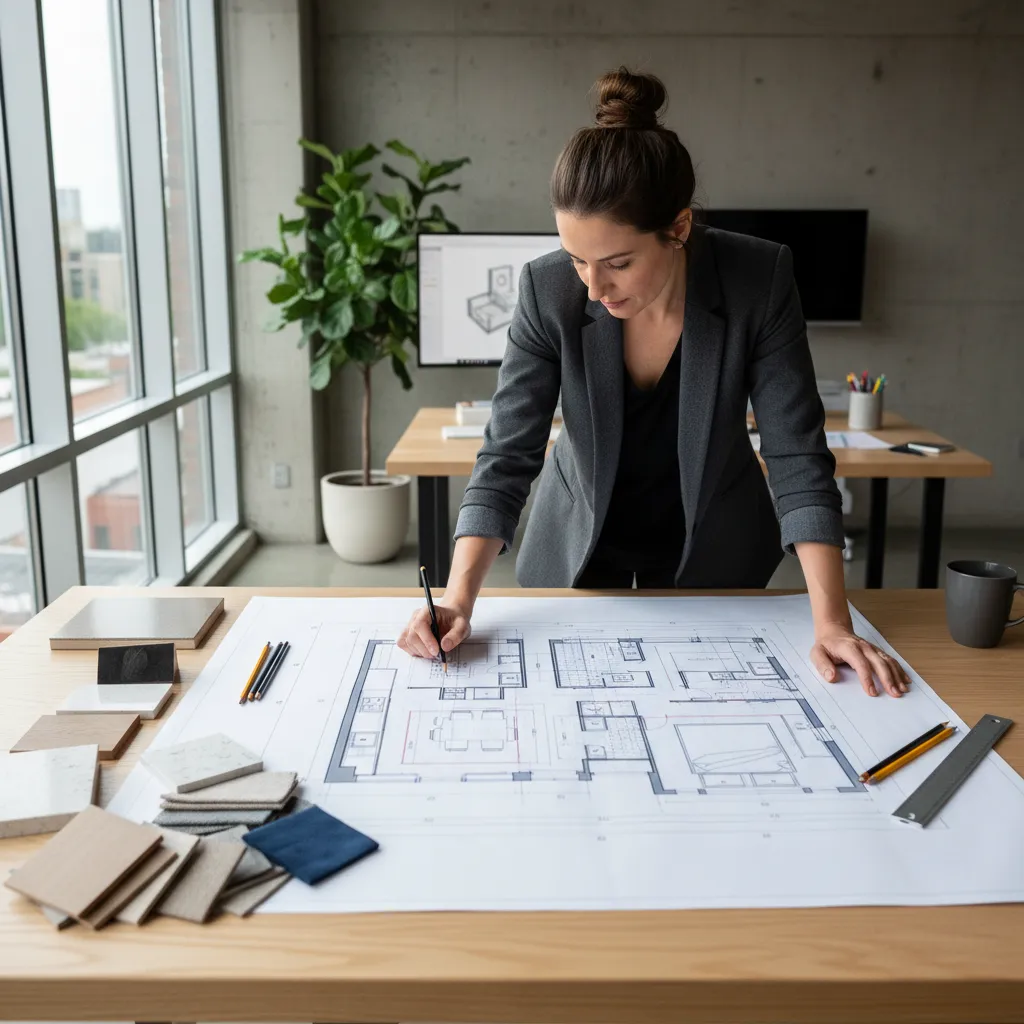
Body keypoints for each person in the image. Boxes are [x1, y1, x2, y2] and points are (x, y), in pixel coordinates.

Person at [399, 66, 909, 699]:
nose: (593, 287)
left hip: (713, 541)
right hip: (581, 537)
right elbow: (507, 453)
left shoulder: (758, 278)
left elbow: (797, 454)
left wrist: (832, 622)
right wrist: (457, 597)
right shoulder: (547, 288)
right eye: (578, 258)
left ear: (680, 227)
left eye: (617, 263)